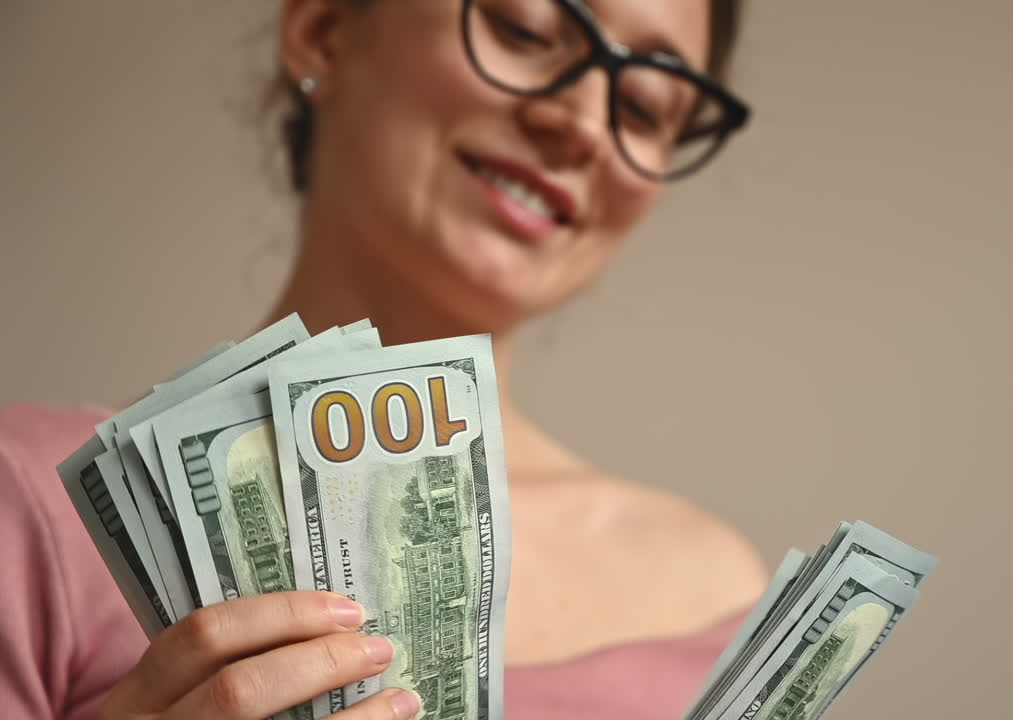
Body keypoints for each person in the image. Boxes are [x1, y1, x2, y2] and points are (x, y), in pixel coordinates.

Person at [0, 0, 768, 718]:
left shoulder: (724, 592)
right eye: (526, 29)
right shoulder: (25, 506)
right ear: (325, 30)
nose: (587, 126)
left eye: (644, 108)